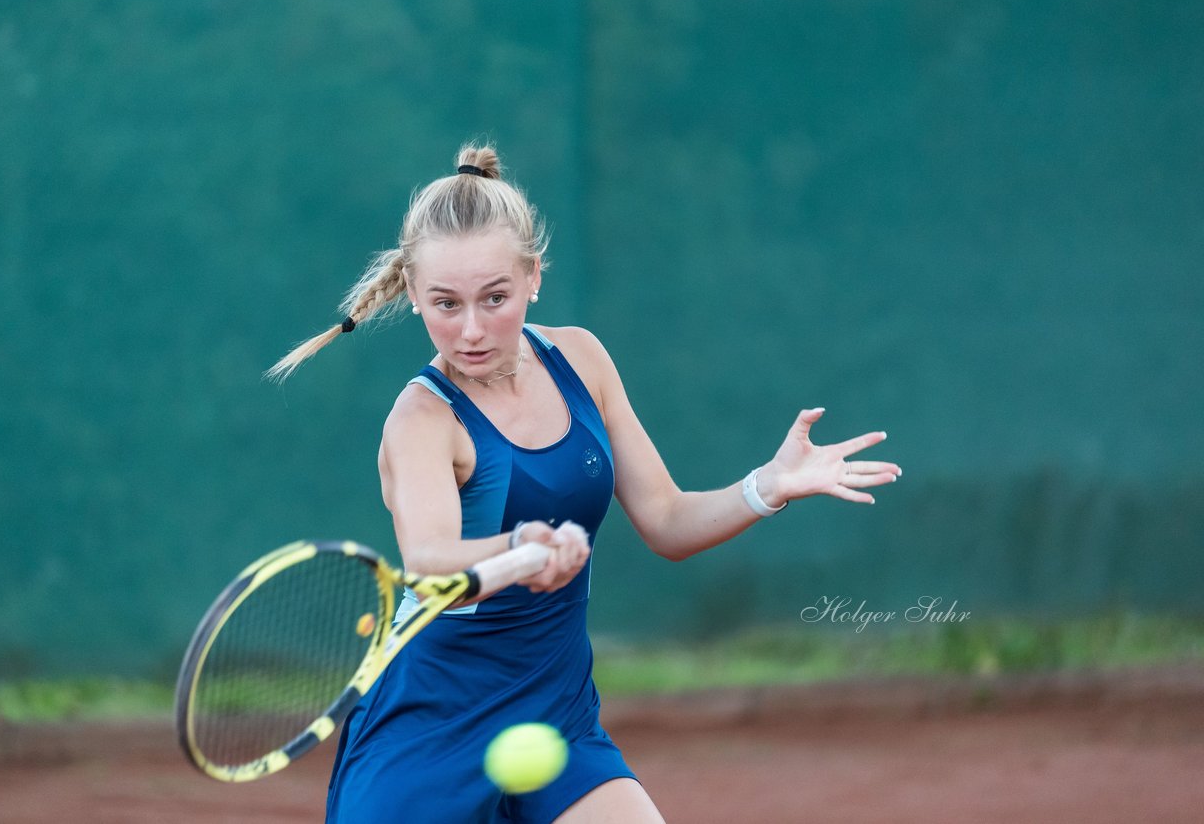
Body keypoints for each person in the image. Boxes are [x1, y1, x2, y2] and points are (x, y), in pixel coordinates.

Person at [267, 143, 902, 823]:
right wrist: (523, 549)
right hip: (429, 722)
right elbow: (426, 560)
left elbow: (666, 519)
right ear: (414, 297)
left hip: (554, 710)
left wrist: (767, 486)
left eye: (496, 298)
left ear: (534, 278)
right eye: (446, 304)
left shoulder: (582, 359)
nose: (473, 329)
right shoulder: (422, 418)